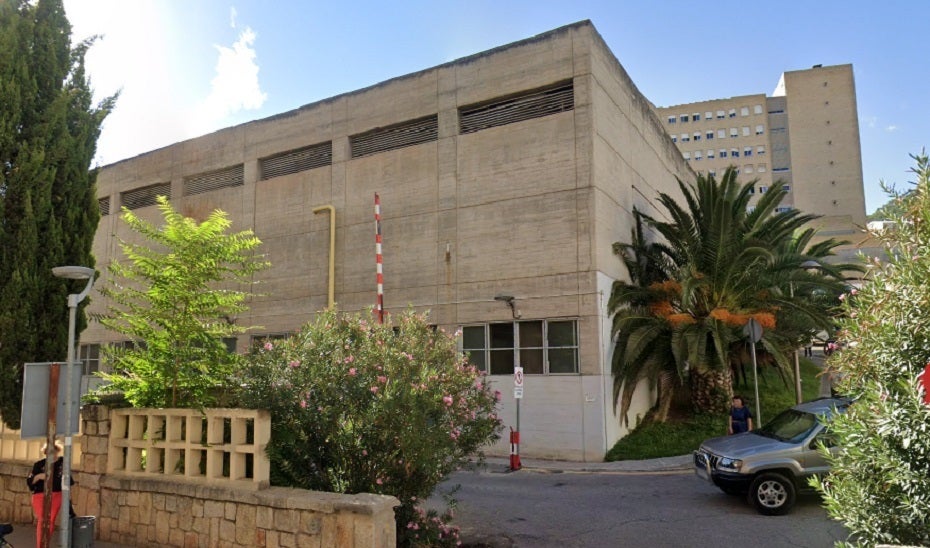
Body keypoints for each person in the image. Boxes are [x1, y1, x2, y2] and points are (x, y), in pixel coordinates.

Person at [26, 441, 68, 548]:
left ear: (57, 451)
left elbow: (67, 480)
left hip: (56, 495)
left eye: (53, 452)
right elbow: (30, 481)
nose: (51, 454)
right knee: (42, 519)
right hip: (40, 495)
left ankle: (44, 542)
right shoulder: (39, 465)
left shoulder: (62, 463)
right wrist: (39, 476)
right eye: (48, 452)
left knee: (50, 519)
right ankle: (41, 545)